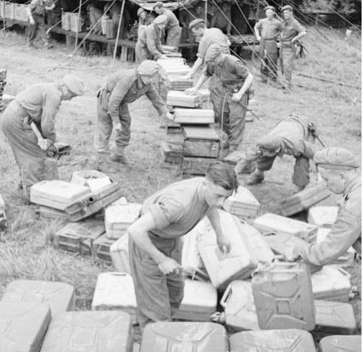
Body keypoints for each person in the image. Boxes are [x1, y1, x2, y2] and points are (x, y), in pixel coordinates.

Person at [127, 162, 238, 329]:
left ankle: (165, 327)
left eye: (225, 197)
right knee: (154, 310)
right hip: (149, 244)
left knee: (175, 292)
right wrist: (161, 259)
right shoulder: (178, 205)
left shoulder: (208, 194)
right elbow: (136, 230)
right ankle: (155, 332)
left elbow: (211, 206)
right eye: (218, 196)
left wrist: (220, 235)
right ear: (205, 184)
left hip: (171, 241)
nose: (221, 202)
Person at [0, 75, 85, 200]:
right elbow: (47, 124)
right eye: (72, 95)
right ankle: (32, 196)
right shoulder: (54, 96)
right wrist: (53, 140)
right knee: (33, 157)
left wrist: (46, 139)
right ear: (66, 89)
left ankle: (25, 185)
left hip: (15, 116)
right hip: (17, 120)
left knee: (25, 154)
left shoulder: (49, 88)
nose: (70, 99)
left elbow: (38, 118)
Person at [284, 147, 360, 267]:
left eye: (326, 179)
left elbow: (328, 251)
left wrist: (300, 250)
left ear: (342, 177)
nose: (324, 184)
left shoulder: (351, 208)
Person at [94, 61, 174, 168]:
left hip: (120, 102)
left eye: (153, 77)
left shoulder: (147, 83)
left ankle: (118, 154)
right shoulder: (128, 79)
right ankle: (101, 161)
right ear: (142, 75)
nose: (151, 80)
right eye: (150, 77)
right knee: (105, 128)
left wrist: (166, 112)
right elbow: (113, 102)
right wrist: (116, 121)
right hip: (107, 99)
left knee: (126, 124)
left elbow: (155, 97)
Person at [186, 40, 253, 153]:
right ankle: (228, 141)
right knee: (222, 117)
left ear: (219, 55)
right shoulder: (213, 63)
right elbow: (206, 73)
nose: (212, 63)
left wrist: (240, 94)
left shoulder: (233, 62)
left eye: (213, 60)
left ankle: (234, 150)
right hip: (225, 91)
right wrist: (196, 88)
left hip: (237, 91)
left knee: (236, 121)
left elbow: (249, 77)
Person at [237, 114, 317, 191]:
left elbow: (314, 153)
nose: (262, 152)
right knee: (265, 156)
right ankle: (259, 174)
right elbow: (247, 157)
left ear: (277, 150)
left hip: (306, 126)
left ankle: (300, 188)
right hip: (288, 121)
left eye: (265, 151)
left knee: (302, 161)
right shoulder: (265, 142)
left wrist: (315, 167)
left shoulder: (297, 144)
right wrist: (235, 173)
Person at [279, 5, 307, 89]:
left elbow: (303, 32)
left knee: (287, 66)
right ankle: (284, 83)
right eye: (284, 13)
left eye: (287, 13)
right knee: (282, 66)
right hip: (282, 46)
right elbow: (282, 31)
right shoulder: (284, 22)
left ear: (291, 13)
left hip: (289, 48)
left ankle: (288, 85)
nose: (285, 14)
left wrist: (294, 39)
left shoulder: (294, 22)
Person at [254, 6, 283, 84]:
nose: (269, 14)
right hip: (263, 41)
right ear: (265, 13)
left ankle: (273, 78)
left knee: (272, 59)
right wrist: (258, 36)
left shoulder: (278, 23)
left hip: (272, 42)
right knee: (263, 58)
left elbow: (282, 32)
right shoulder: (262, 21)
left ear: (273, 13)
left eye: (270, 13)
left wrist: (279, 41)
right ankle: (263, 77)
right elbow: (256, 27)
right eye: (267, 13)